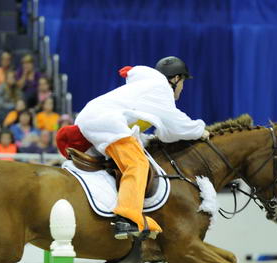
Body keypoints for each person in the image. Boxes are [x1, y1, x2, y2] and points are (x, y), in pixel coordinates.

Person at [58, 57, 209, 239]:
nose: (183, 87)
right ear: (176, 79)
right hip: (104, 122)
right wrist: (200, 130)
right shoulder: (160, 89)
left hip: (93, 120)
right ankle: (127, 218)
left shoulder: (148, 86)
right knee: (137, 164)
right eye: (183, 81)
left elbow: (151, 130)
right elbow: (175, 124)